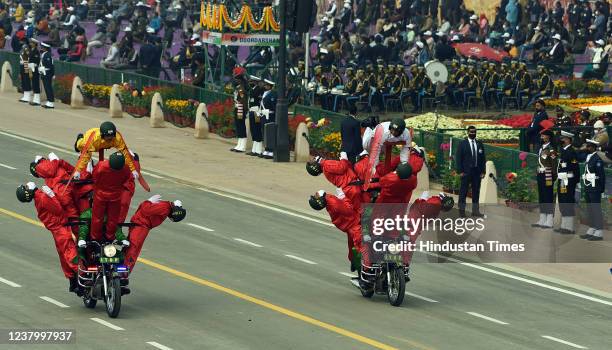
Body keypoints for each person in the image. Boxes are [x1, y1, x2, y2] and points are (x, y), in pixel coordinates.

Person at [16, 182, 79, 293]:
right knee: (70, 253)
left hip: (57, 230)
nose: (27, 184)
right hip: (61, 228)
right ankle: (82, 274)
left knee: (63, 255)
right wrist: (52, 195)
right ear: (28, 192)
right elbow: (58, 209)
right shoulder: (42, 197)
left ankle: (73, 281)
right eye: (25, 187)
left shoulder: (39, 197)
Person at [124, 195, 186, 273]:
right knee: (133, 249)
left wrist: (148, 202)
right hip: (140, 227)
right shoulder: (165, 207)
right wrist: (148, 201)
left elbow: (143, 209)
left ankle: (125, 271)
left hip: (140, 226)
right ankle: (124, 273)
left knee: (131, 249)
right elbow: (145, 210)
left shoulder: (165, 207)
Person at [309, 190, 363, 272]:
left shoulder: (329, 200)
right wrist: (345, 197)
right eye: (316, 195)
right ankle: (362, 269)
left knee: (353, 248)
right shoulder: (333, 203)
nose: (316, 193)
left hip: (352, 225)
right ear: (320, 201)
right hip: (357, 224)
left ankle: (355, 263)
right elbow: (349, 209)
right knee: (361, 248)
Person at [73, 121, 141, 185]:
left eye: (112, 135)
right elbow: (86, 156)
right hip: (93, 142)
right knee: (80, 146)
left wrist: (133, 169)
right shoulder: (92, 139)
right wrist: (78, 171)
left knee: (125, 154)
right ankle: (79, 139)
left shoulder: (117, 138)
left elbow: (125, 153)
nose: (110, 138)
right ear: (102, 135)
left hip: (104, 144)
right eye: (107, 136)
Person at [90, 152, 131, 242]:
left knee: (97, 217)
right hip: (115, 196)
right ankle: (110, 236)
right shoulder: (126, 169)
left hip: (100, 195)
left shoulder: (101, 166)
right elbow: (125, 180)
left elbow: (95, 177)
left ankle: (95, 237)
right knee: (113, 218)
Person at [361, 118, 411, 186]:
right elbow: (376, 150)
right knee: (365, 146)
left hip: (386, 141)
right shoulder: (383, 131)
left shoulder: (406, 134)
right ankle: (368, 129)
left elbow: (406, 148)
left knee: (384, 152)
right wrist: (374, 166)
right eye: (392, 129)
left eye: (395, 131)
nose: (393, 132)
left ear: (401, 131)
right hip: (374, 137)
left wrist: (404, 163)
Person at [456, 126, 486, 217]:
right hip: (466, 172)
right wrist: (460, 171)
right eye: (471, 132)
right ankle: (462, 212)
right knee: (463, 192)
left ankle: (475, 211)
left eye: (474, 132)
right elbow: (458, 158)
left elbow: (483, 158)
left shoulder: (479, 144)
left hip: (477, 172)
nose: (473, 133)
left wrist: (483, 171)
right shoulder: (462, 144)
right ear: (468, 132)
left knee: (476, 192)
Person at [554, 131, 580, 234]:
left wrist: (574, 181)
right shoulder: (564, 151)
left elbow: (575, 168)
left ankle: (569, 227)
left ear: (568, 140)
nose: (561, 140)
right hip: (563, 180)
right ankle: (564, 226)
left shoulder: (571, 152)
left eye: (563, 138)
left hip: (568, 181)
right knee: (563, 201)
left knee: (567, 201)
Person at [531, 129, 558, 229]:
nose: (541, 136)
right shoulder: (542, 147)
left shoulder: (551, 149)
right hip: (540, 173)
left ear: (548, 136)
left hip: (548, 174)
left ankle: (549, 219)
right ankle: (542, 218)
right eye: (541, 134)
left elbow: (554, 164)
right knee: (542, 195)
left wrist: (553, 175)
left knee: (548, 196)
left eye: (543, 134)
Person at [580, 139, 606, 241]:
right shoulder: (589, 157)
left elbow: (601, 175)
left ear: (594, 148)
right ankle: (592, 228)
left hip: (595, 187)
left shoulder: (597, 158)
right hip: (588, 186)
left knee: (596, 209)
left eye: (589, 146)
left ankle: (599, 231)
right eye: (587, 146)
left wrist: (601, 189)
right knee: (590, 208)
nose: (587, 148)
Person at [19, 38, 41, 105]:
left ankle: (37, 99)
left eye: (32, 43)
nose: (30, 44)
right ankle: (26, 97)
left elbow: (37, 61)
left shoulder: (36, 51)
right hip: (28, 67)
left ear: (35, 44)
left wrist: (33, 64)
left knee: (35, 83)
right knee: (25, 80)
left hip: (34, 69)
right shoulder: (30, 50)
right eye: (30, 42)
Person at [247, 76, 265, 156]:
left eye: (252, 81)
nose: (250, 83)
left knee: (257, 129)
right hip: (251, 111)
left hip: (257, 111)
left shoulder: (259, 90)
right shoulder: (252, 90)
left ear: (255, 82)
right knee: (253, 130)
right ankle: (254, 149)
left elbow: (259, 101)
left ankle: (258, 150)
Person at [260, 79, 277, 159]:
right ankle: (266, 149)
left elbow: (274, 106)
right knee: (264, 132)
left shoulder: (273, 94)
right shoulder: (265, 93)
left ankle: (271, 150)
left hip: (270, 115)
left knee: (270, 133)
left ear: (270, 86)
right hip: (264, 114)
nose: (265, 86)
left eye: (266, 85)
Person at [231, 85, 248, 153]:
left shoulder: (241, 90)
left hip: (240, 109)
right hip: (237, 108)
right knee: (238, 126)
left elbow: (243, 99)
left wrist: (239, 103)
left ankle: (243, 145)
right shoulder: (237, 89)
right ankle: (239, 144)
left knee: (241, 126)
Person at [38, 41, 54, 109]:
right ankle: (49, 101)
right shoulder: (44, 54)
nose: (41, 48)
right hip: (44, 72)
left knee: (48, 87)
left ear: (45, 48)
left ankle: (51, 102)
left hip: (47, 73)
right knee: (46, 87)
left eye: (43, 47)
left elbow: (50, 65)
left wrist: (43, 68)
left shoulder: (47, 55)